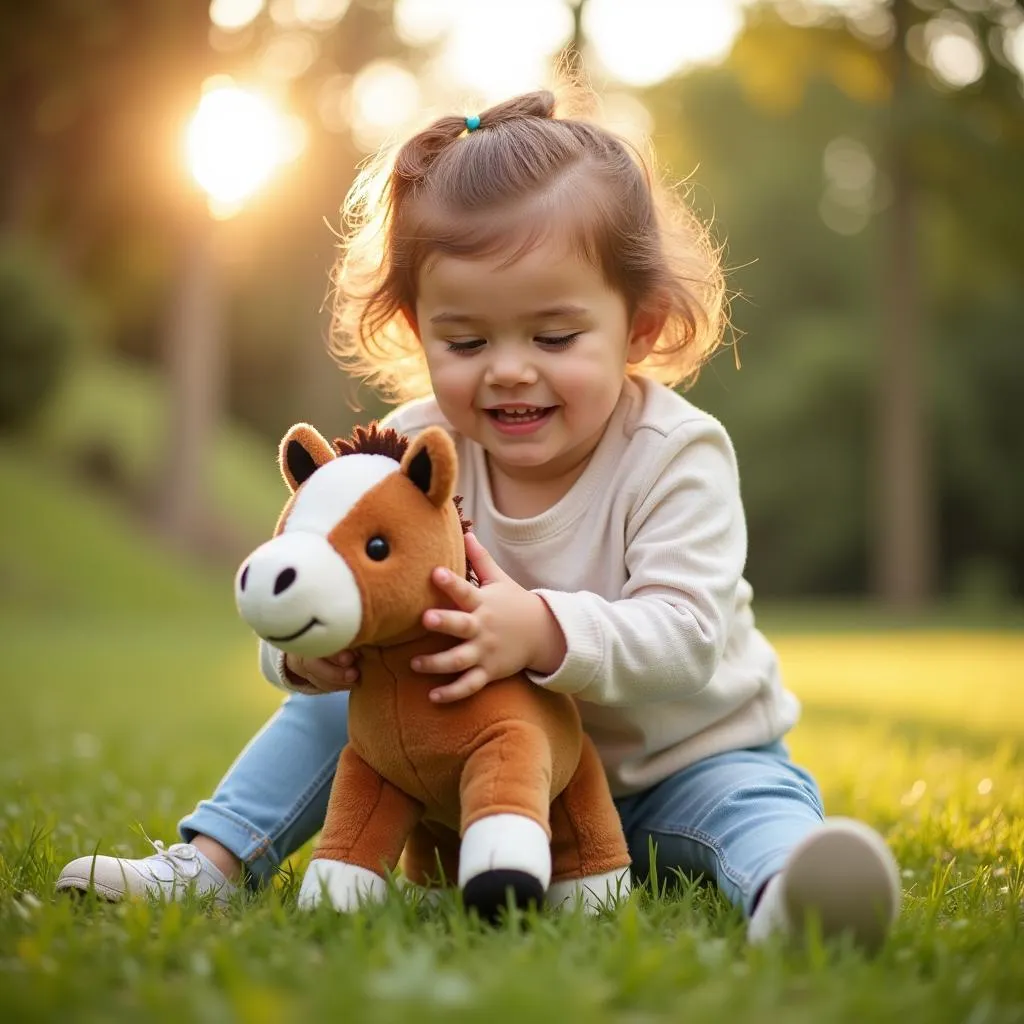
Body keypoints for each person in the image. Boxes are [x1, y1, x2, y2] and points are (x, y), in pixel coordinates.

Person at [57, 88, 900, 948]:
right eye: (466, 342)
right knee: (330, 711)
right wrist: (307, 654)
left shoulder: (675, 452)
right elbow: (320, 576)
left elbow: (689, 636)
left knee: (754, 806)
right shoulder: (412, 451)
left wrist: (539, 630)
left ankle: (795, 895)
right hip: (484, 781)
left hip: (679, 766)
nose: (508, 372)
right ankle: (211, 863)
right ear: (419, 329)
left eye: (554, 337)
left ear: (639, 325)